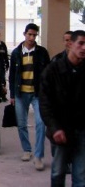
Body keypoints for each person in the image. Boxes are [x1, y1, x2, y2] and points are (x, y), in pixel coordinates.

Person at [39, 30, 85, 187]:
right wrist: (54, 128)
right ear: (70, 44)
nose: (84, 48)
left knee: (81, 175)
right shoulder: (53, 70)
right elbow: (45, 103)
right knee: (58, 172)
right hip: (61, 130)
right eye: (81, 43)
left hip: (81, 130)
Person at [9, 23, 50, 171]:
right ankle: (27, 150)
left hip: (37, 94)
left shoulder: (42, 52)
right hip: (20, 94)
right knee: (21, 124)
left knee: (41, 124)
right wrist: (12, 95)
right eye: (29, 34)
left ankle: (38, 156)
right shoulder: (16, 53)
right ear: (24, 34)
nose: (32, 38)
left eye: (34, 35)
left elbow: (48, 74)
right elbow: (12, 74)